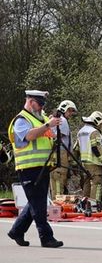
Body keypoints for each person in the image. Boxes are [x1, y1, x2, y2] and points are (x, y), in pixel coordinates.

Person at [6, 89, 64, 248]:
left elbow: (49, 134)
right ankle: (46, 238)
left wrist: (52, 126)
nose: (41, 107)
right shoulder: (21, 119)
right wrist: (47, 125)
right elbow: (29, 136)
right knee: (38, 204)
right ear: (30, 101)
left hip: (42, 167)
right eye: (39, 104)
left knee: (35, 202)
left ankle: (17, 231)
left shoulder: (41, 117)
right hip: (28, 168)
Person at [75, 111, 102, 202]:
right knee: (97, 185)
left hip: (84, 164)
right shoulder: (94, 132)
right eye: (101, 124)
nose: (101, 126)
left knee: (87, 185)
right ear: (96, 121)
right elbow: (96, 148)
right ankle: (94, 207)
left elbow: (76, 149)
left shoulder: (81, 132)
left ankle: (85, 206)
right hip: (95, 164)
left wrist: (74, 164)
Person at [49, 100, 77, 198]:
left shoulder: (56, 118)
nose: (71, 114)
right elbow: (59, 138)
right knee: (59, 179)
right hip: (60, 154)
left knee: (61, 180)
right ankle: (57, 204)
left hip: (60, 154)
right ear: (64, 109)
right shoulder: (62, 120)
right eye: (70, 111)